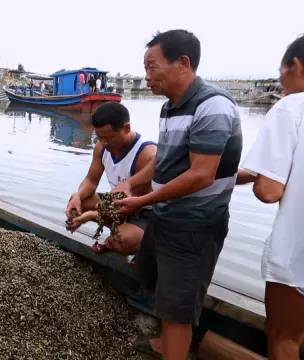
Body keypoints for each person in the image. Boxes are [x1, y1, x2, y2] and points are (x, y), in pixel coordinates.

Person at [113, 30, 242, 360]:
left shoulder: (213, 106)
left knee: (179, 306)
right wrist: (131, 185)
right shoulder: (170, 108)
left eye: (152, 67)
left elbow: (201, 174)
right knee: (154, 279)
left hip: (194, 225)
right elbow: (164, 163)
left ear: (183, 63)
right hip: (165, 216)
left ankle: (173, 350)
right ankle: (162, 342)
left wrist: (141, 201)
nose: (146, 76)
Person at [238, 35, 304, 360]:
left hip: (298, 254)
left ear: (297, 66)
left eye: (282, 69)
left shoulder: (291, 108)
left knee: (284, 337)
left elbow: (269, 189)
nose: (280, 78)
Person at [65, 102, 156, 256]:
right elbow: (91, 181)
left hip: (142, 212)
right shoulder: (102, 147)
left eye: (109, 137)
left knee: (122, 240)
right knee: (82, 202)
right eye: (100, 137)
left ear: (126, 128)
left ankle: (143, 246)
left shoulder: (146, 154)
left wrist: (91, 216)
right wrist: (77, 196)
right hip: (116, 203)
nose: (104, 142)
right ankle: (117, 234)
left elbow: (126, 206)